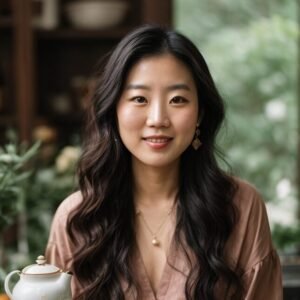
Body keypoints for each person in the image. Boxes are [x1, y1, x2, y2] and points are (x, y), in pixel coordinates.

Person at [45, 25, 283, 300]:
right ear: (114, 111)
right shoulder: (77, 218)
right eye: (139, 99)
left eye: (177, 99)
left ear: (200, 114)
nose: (157, 118)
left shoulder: (241, 206)